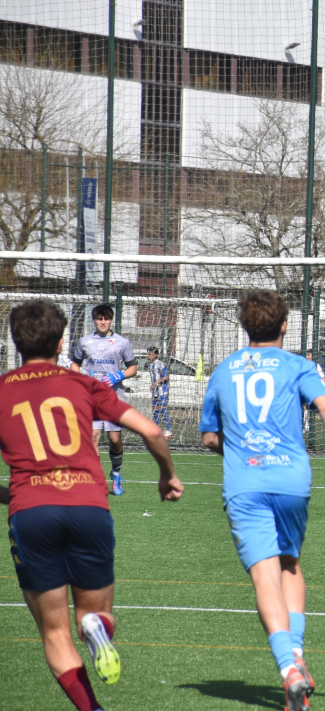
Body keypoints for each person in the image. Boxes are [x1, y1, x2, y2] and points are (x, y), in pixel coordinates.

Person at [2, 300, 182, 711]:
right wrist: (167, 476)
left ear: (16, 341)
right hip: (89, 507)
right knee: (95, 616)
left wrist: (15, 493)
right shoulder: (82, 385)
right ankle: (94, 626)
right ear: (61, 343)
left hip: (32, 512)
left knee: (55, 633)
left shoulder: (3, 389)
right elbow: (152, 431)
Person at [199, 290, 325, 711]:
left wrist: (240, 450)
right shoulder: (297, 365)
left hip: (245, 484)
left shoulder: (224, 370)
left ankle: (288, 668)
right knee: (289, 564)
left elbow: (210, 437)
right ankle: (298, 654)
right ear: (285, 325)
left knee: (265, 577)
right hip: (292, 480)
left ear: (244, 326)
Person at [70, 304, 138, 495]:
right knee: (93, 437)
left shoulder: (122, 342)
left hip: (113, 398)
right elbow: (75, 365)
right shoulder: (84, 342)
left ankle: (116, 473)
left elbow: (133, 368)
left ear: (111, 320)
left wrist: (118, 376)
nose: (102, 322)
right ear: (93, 320)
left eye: (106, 318)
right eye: (99, 318)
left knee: (115, 439)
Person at [147, 347, 172, 439]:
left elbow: (166, 376)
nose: (148, 356)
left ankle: (168, 430)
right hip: (155, 391)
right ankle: (156, 430)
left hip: (162, 390)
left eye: (149, 354)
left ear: (155, 355)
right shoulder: (151, 365)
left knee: (163, 409)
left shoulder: (160, 364)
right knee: (155, 410)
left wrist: (156, 383)